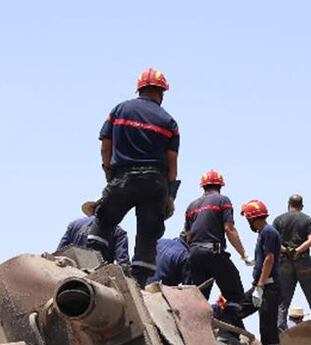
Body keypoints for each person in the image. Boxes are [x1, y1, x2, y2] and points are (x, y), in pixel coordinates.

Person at [89, 68, 180, 286]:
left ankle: (93, 265)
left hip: (124, 175)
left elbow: (105, 145)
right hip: (155, 181)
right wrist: (170, 195)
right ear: (162, 93)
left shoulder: (120, 110)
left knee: (105, 218)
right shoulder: (169, 121)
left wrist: (109, 173)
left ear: (139, 89)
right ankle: (138, 281)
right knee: (148, 232)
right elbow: (172, 163)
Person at [185, 170, 252, 328]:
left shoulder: (191, 206)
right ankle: (227, 333)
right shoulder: (222, 200)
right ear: (220, 186)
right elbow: (229, 229)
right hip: (213, 252)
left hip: (194, 253)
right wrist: (244, 255)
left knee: (199, 297)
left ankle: (194, 329)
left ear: (203, 186)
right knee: (235, 293)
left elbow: (188, 236)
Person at [239, 199, 282, 345]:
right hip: (262, 286)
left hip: (268, 288)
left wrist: (260, 286)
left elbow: (269, 259)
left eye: (248, 219)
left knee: (268, 328)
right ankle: (236, 341)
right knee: (235, 309)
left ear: (252, 218)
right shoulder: (264, 232)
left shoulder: (269, 232)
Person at [273, 194, 311, 330]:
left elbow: (273, 241)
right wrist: (298, 251)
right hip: (303, 262)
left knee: (282, 302)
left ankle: (280, 335)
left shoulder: (279, 220)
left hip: (284, 262)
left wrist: (287, 251)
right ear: (301, 206)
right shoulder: (307, 219)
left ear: (288, 205)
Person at [58, 198, 129, 266]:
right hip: (98, 274)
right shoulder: (119, 232)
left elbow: (59, 253)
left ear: (93, 210)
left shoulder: (74, 225)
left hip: (71, 271)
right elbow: (122, 263)